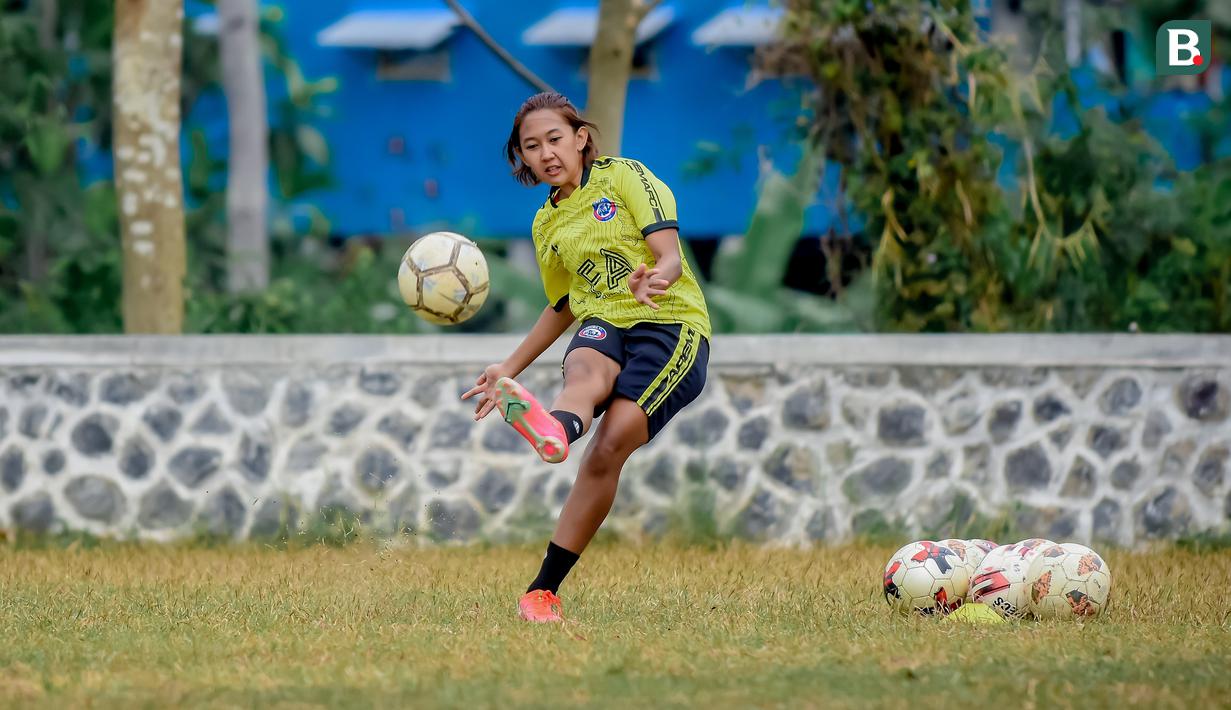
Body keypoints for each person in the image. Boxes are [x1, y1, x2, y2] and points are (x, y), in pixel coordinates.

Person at [461, 92, 712, 623]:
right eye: (532, 146)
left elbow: (669, 256)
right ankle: (553, 430)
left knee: (608, 448)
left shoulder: (625, 177)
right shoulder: (546, 224)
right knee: (583, 370)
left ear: (580, 138)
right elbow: (563, 305)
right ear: (523, 157)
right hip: (603, 321)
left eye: (555, 139)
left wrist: (654, 279)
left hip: (669, 324)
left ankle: (546, 584)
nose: (546, 153)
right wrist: (509, 368)